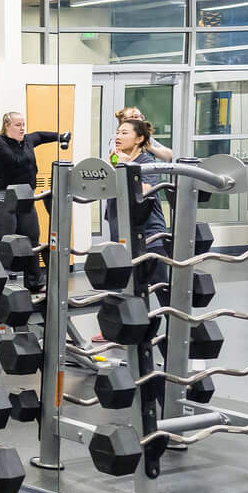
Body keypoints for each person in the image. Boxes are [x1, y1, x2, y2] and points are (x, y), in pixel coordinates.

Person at [0, 112, 67, 291]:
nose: (22, 128)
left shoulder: (28, 141)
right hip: (5, 198)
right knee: (3, 241)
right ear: (7, 126)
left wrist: (61, 137)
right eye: (18, 125)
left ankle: (35, 283)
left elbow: (42, 136)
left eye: (23, 124)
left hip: (26, 198)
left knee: (32, 240)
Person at [95, 119, 170, 339]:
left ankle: (180, 330)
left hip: (149, 236)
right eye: (117, 132)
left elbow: (146, 189)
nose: (118, 136)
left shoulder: (146, 161)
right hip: (124, 234)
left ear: (139, 139)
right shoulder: (115, 161)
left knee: (161, 287)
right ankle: (131, 331)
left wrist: (128, 167)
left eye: (124, 133)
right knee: (130, 286)